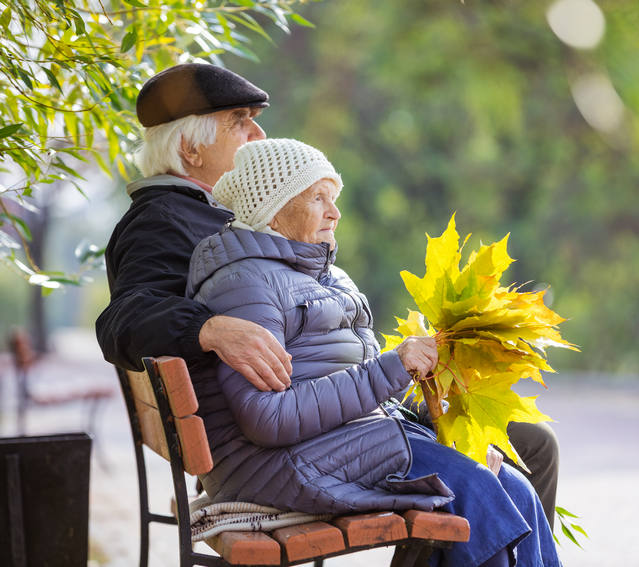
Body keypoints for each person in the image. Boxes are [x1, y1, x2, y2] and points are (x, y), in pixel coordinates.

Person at [95, 63, 560, 527]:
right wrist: (207, 329)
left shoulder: (216, 215)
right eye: (239, 121)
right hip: (292, 435)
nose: (257, 134)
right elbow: (122, 322)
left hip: (322, 411)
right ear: (189, 149)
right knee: (514, 455)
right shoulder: (162, 222)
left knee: (526, 442)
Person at [186, 137, 561, 567]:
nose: (335, 212)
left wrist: (440, 418)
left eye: (335, 197)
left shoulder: (326, 275)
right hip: (280, 462)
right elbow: (268, 418)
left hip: (343, 442)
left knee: (508, 488)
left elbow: (367, 384)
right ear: (273, 208)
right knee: (484, 492)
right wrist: (393, 366)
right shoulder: (245, 284)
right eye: (318, 197)